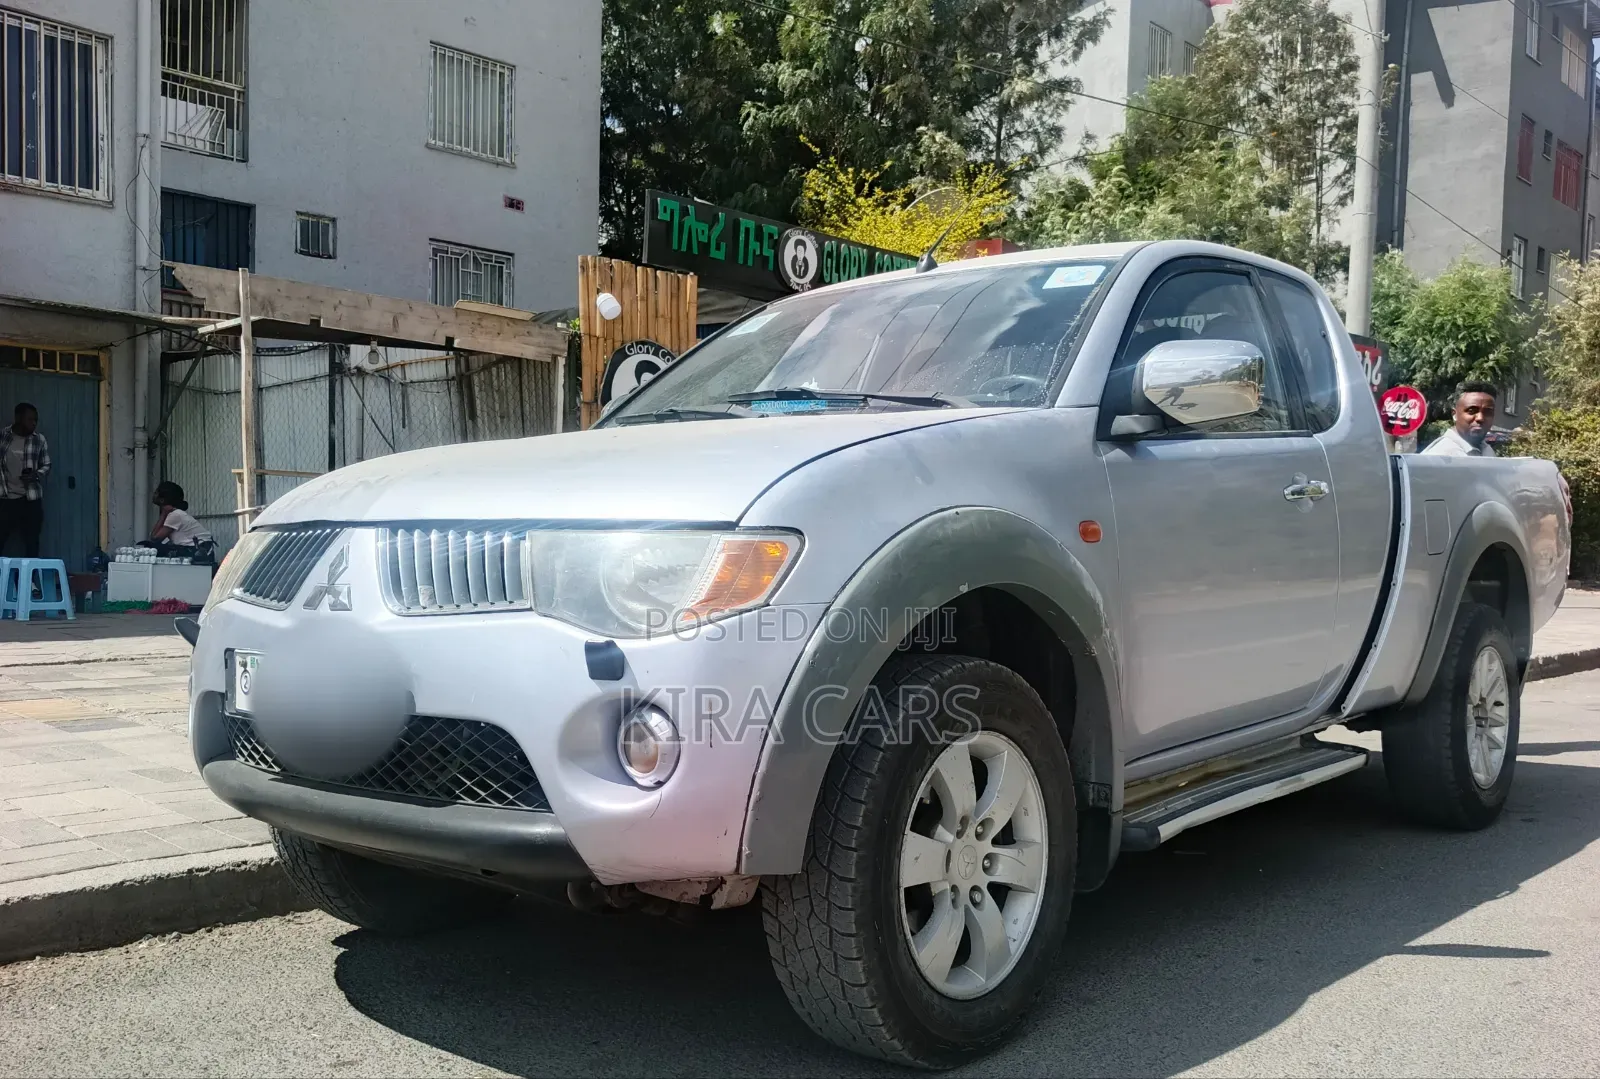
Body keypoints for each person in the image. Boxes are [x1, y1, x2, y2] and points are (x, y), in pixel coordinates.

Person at [0, 402, 50, 558]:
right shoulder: (3, 436)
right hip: (6, 499)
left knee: (32, 543)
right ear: (18, 418)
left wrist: (36, 474)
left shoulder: (39, 440)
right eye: (30, 419)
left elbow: (47, 464)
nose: (33, 423)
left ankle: (30, 581)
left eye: (36, 420)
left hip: (30, 499)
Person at [140, 482, 215, 563]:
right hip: (197, 551)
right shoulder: (176, 514)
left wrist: (163, 514)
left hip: (198, 553)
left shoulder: (175, 515)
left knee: (152, 549)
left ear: (162, 500)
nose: (153, 494)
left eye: (156, 493)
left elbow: (155, 538)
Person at [1422, 382, 1498, 457]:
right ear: (1454, 415)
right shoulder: (1438, 455)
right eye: (1471, 411)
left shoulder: (1487, 450)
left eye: (1488, 412)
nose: (1480, 418)